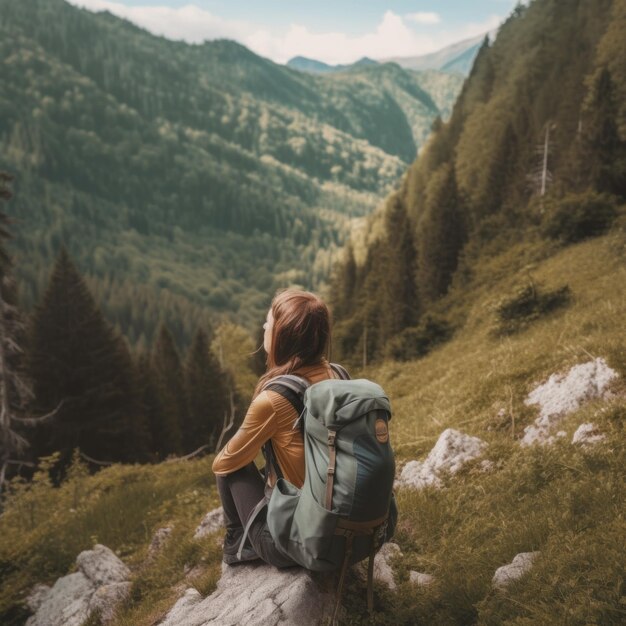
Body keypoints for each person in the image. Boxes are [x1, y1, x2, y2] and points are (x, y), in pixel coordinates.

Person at [212, 288, 347, 567]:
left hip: (305, 542)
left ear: (283, 338)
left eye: (268, 324)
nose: (264, 327)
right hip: (351, 528)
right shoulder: (339, 374)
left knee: (232, 466)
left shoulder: (274, 399)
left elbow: (223, 463)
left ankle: (240, 541)